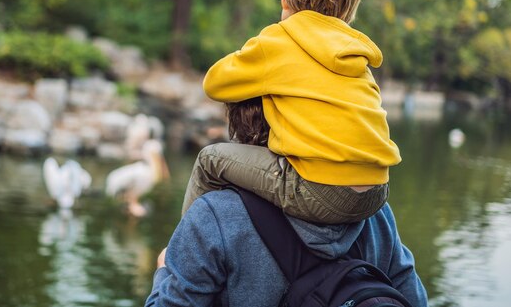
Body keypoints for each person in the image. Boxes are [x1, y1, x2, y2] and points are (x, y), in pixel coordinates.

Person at [182, 0, 401, 224]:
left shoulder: (280, 40)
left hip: (320, 191)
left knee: (209, 159)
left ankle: (179, 252)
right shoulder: (355, 54)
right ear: (348, 11)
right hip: (376, 193)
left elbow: (214, 83)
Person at [146, 100, 428, 307]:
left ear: (239, 125)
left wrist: (162, 273)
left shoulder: (216, 215)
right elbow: (414, 300)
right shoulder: (374, 212)